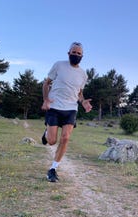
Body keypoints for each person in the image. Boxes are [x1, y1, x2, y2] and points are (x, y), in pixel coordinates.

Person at [41, 42, 92, 182]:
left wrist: (83, 102)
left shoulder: (83, 74)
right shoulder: (59, 65)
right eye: (73, 52)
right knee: (52, 141)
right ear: (68, 53)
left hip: (70, 108)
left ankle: (53, 169)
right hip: (55, 106)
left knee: (65, 138)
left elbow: (80, 93)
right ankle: (46, 134)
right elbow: (46, 83)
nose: (76, 55)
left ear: (82, 56)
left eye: (78, 53)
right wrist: (45, 99)